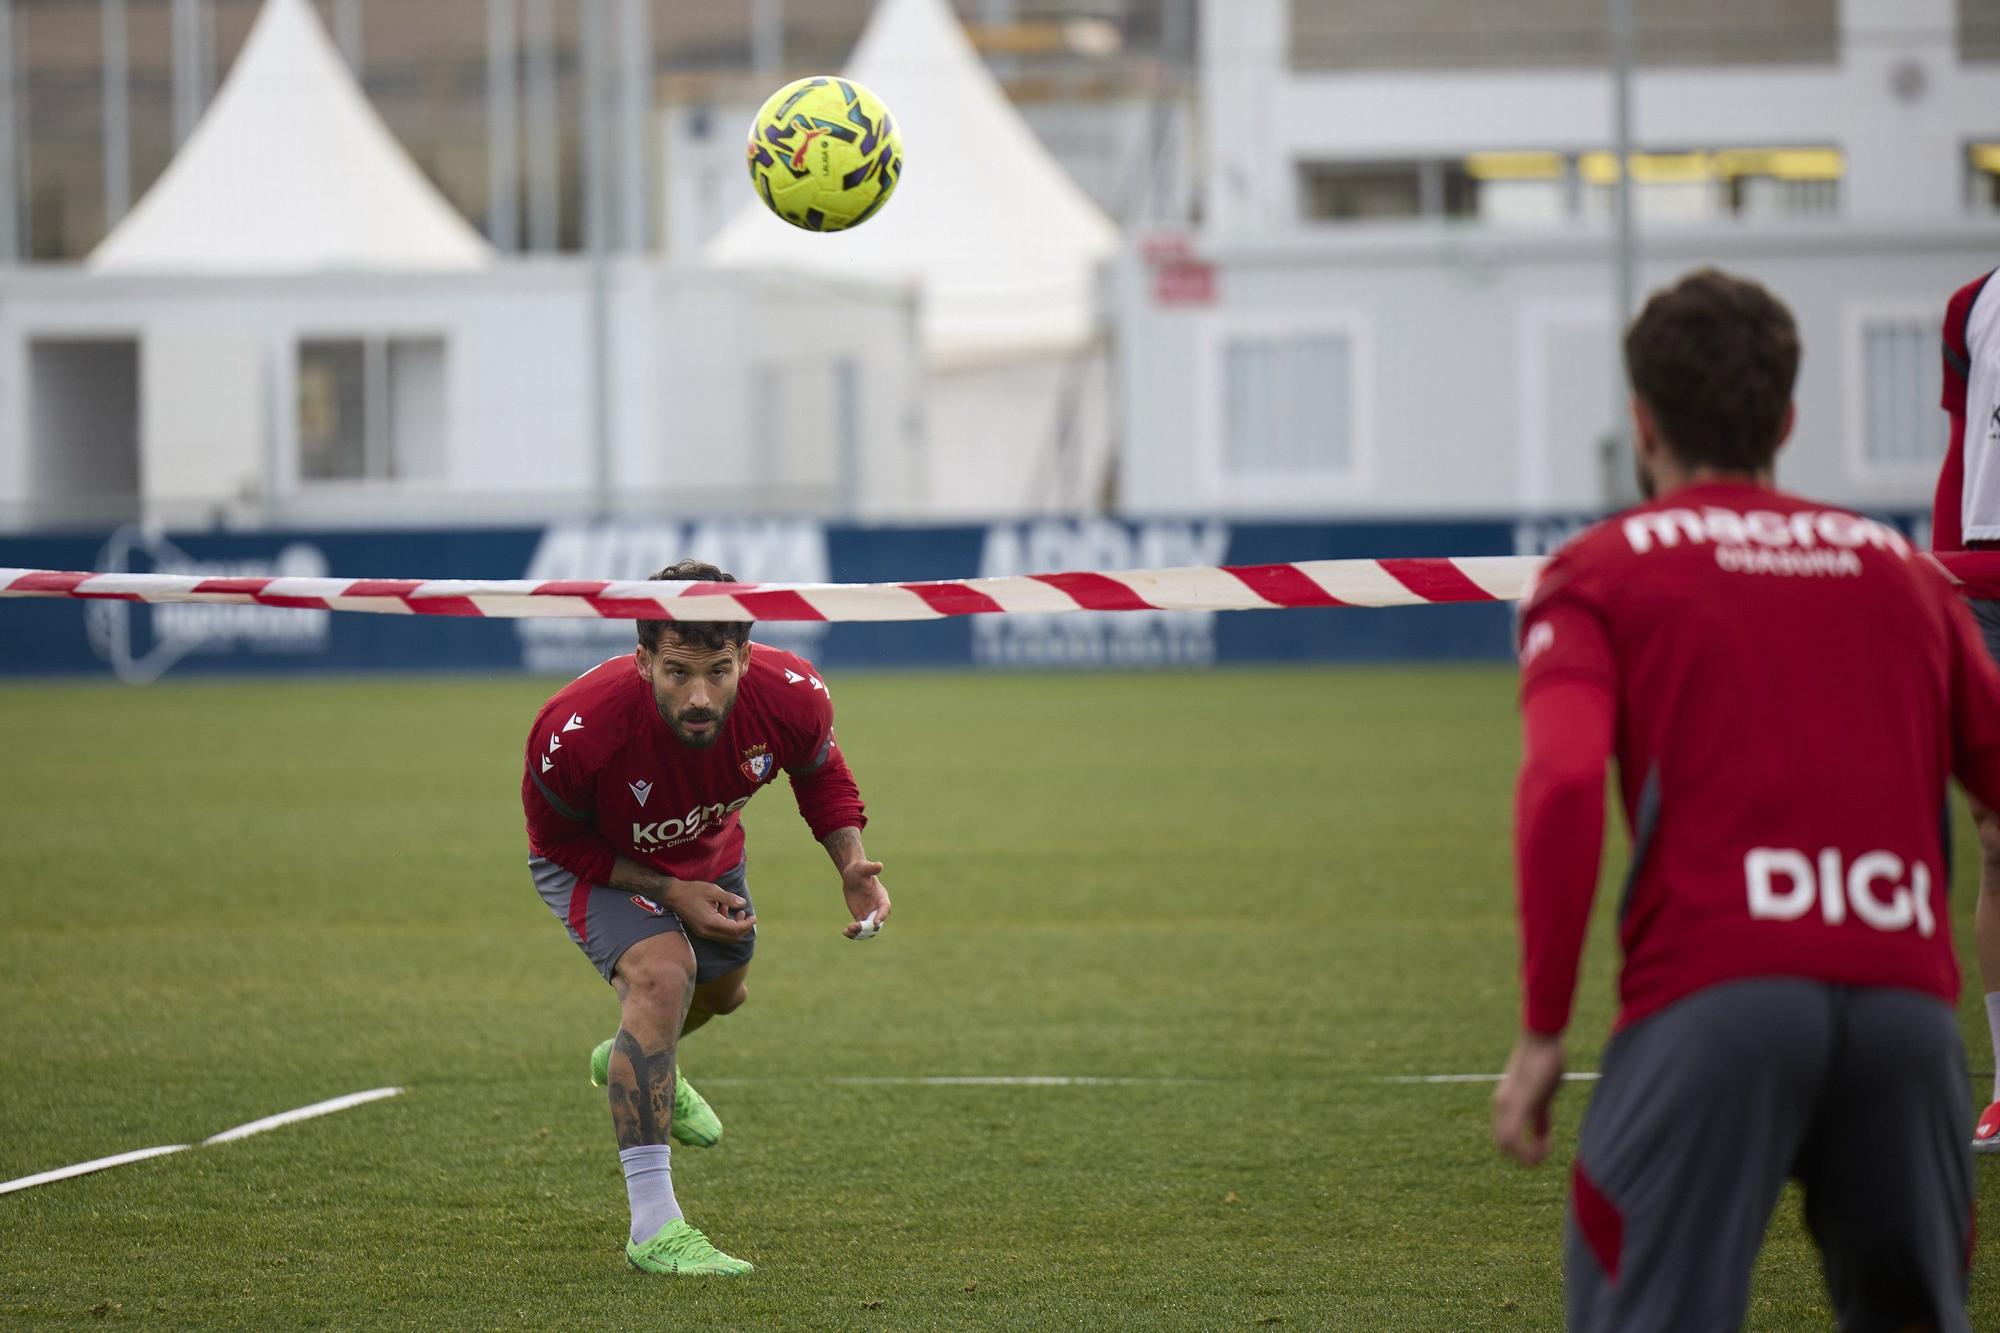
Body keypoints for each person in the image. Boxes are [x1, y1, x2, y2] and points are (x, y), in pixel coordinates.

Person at [1491, 267, 2000, 1332]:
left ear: (1641, 422)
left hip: (1713, 1003)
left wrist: (1543, 1026)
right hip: (1907, 1018)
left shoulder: (1597, 571)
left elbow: (1563, 779)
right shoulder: (1903, 575)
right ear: (1787, 416)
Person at [520, 559, 892, 1276]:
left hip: (707, 851)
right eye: (677, 671)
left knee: (725, 992)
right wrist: (668, 888)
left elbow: (819, 770)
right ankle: (654, 1226)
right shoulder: (573, 732)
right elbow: (556, 841)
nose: (700, 695)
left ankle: (631, 1053)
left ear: (746, 656)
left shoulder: (792, 694)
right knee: (665, 974)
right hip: (594, 857)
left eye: (719, 670)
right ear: (642, 660)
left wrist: (850, 862)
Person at [1929, 266, 2000, 1150]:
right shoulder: (1971, 305)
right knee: (1994, 833)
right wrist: (1943, 580)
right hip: (1984, 585)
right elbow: (1959, 453)